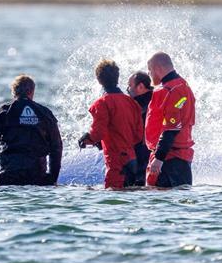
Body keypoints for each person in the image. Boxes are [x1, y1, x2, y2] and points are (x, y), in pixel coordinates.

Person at [0, 75, 63, 187]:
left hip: (9, 176)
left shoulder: (4, 112)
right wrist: (53, 177)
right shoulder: (45, 113)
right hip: (37, 176)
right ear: (32, 91)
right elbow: (56, 147)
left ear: (13, 92)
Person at [77, 59, 144, 189]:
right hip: (132, 160)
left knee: (112, 202)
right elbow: (139, 136)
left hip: (116, 163)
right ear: (117, 78)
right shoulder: (132, 103)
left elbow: (98, 133)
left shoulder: (102, 103)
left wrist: (86, 139)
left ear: (99, 80)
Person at [144, 52, 196, 188]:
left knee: (160, 203)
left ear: (158, 69)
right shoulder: (183, 85)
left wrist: (159, 158)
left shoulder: (171, 90)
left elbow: (171, 128)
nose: (149, 75)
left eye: (150, 71)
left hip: (170, 159)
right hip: (177, 158)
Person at [127, 71, 153, 169]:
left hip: (145, 155)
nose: (128, 89)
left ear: (141, 87)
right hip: (148, 155)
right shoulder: (155, 98)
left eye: (130, 85)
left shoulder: (147, 104)